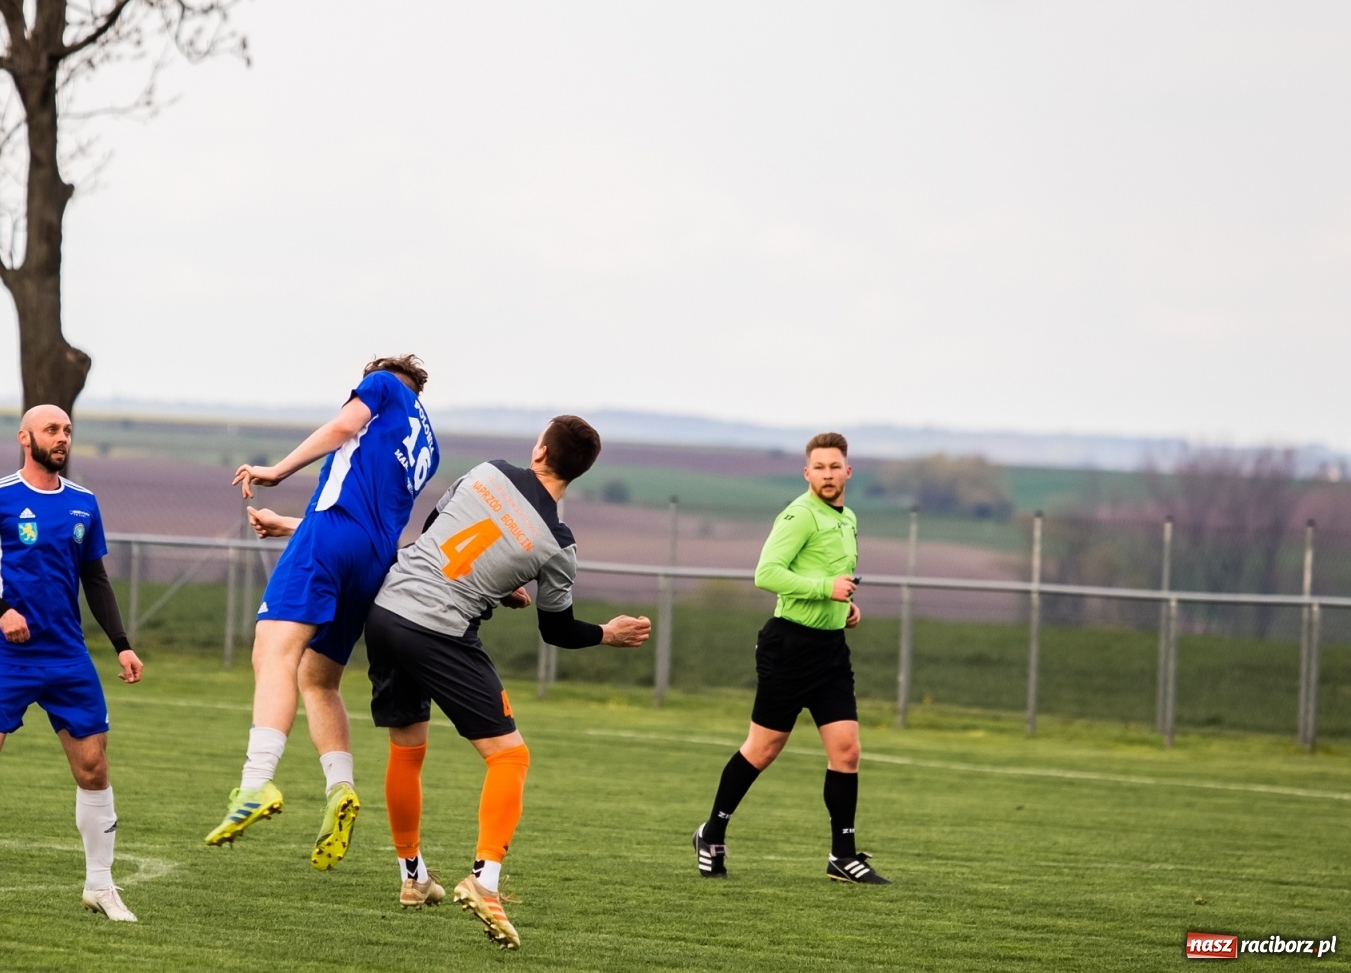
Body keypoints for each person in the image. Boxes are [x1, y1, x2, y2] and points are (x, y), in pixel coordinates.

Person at [364, 415, 652, 950]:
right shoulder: (557, 544)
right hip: (439, 630)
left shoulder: (485, 472)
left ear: (541, 449)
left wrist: (492, 586)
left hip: (387, 611)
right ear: (579, 472)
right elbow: (557, 629)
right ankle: (484, 880)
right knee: (510, 758)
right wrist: (607, 634)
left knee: (406, 747)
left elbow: (435, 534)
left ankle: (413, 879)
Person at [205, 355, 439, 875]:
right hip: (371, 561)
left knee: (273, 654)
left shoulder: (379, 387)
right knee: (318, 678)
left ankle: (254, 782)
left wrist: (276, 471)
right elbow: (366, 511)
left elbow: (342, 429)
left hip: (329, 538)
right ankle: (340, 787)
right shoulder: (427, 444)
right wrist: (291, 525)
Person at [0, 404, 145, 920]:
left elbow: (96, 579)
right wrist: (1, 610)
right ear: (25, 437)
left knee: (94, 768)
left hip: (68, 656)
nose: (61, 437)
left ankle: (100, 887)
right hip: (7, 654)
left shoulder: (84, 503)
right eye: (51, 429)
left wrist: (122, 642)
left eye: (66, 430)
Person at [692, 431, 889, 885]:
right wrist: (826, 590)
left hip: (831, 650)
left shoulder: (848, 517)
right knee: (763, 749)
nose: (827, 474)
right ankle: (712, 832)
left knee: (847, 751)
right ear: (807, 473)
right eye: (818, 467)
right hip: (790, 648)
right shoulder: (800, 515)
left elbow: (830, 579)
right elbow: (766, 574)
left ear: (847, 471)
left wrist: (844, 607)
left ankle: (842, 855)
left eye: (834, 466)